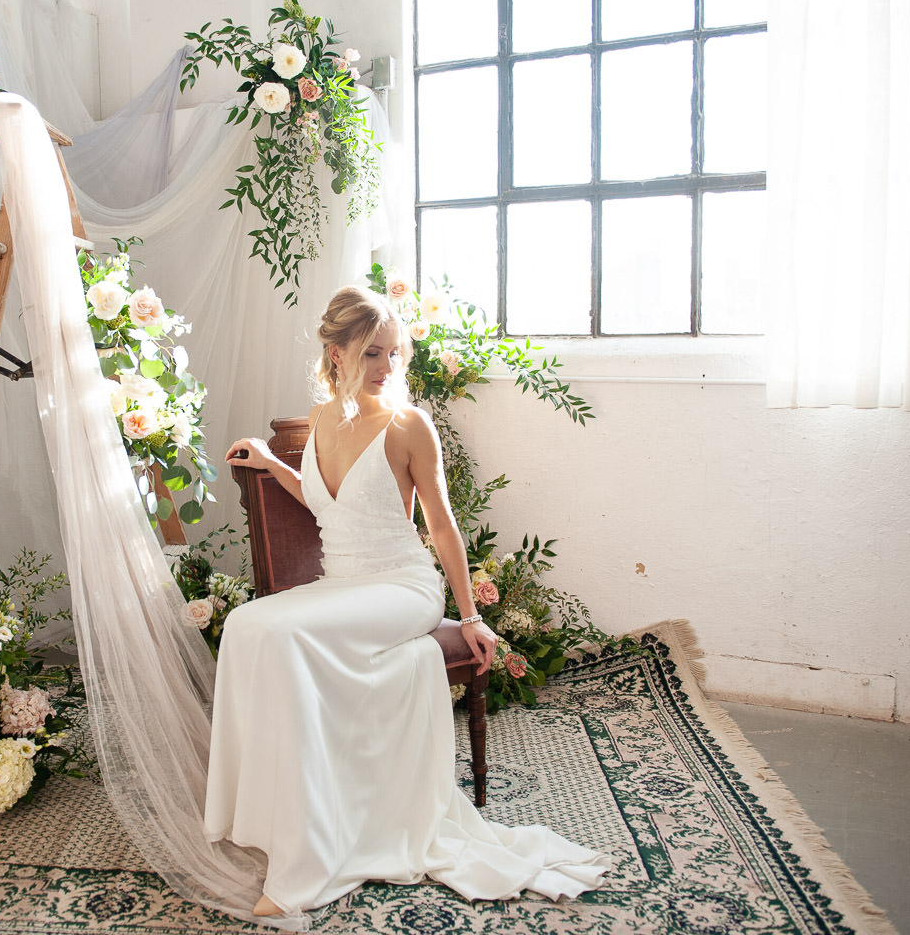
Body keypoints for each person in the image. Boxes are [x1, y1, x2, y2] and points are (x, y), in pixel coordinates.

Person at [203, 285, 612, 920]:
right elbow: (324, 504)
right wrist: (268, 462)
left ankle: (306, 861)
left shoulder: (407, 426)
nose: (388, 369)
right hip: (343, 587)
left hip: (401, 587)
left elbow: (443, 526)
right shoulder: (319, 421)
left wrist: (470, 615)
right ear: (335, 354)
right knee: (246, 625)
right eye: (373, 354)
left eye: (395, 353)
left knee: (280, 636)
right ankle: (262, 817)